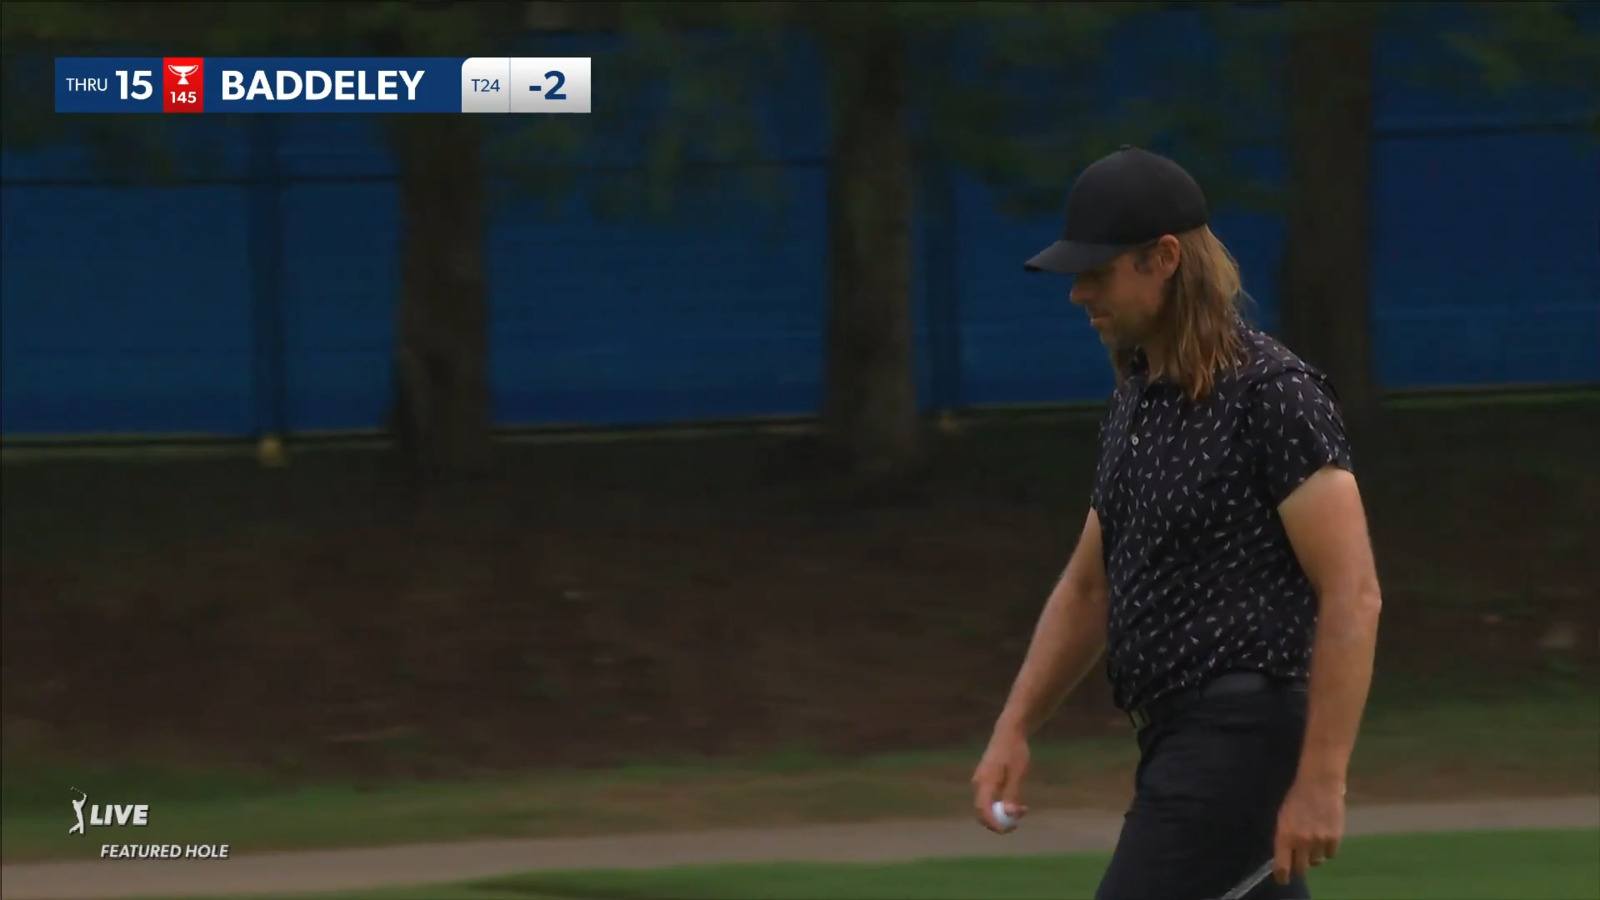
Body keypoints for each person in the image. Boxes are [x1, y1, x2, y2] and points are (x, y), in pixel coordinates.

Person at [971, 146, 1383, 900]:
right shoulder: (1139, 399)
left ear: (1163, 259)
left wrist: (1323, 781)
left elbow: (1352, 593)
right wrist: (1015, 724)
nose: (1078, 294)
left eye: (1096, 272)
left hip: (1239, 738)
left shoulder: (1274, 395)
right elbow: (1090, 587)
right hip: (1172, 738)